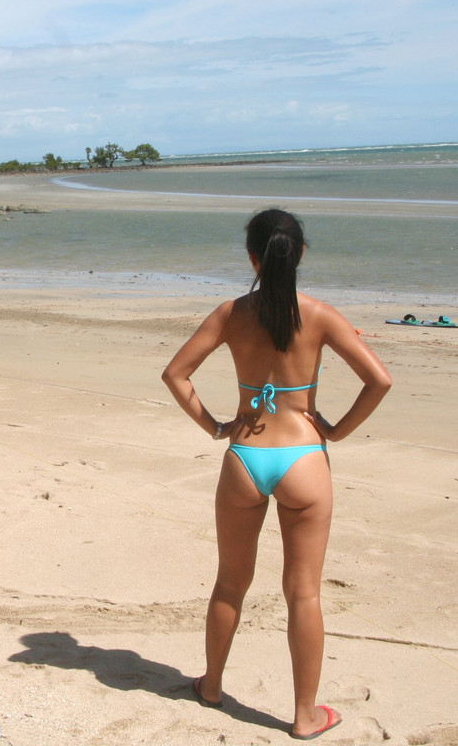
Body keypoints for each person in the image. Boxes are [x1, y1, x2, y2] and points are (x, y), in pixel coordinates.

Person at [161, 208, 391, 740]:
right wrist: (335, 431)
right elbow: (378, 380)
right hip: (304, 460)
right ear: (301, 253)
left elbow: (176, 374)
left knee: (229, 583)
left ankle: (212, 685)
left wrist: (216, 425)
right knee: (304, 593)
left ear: (252, 257)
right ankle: (306, 715)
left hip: (246, 455)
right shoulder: (321, 315)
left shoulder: (229, 313)